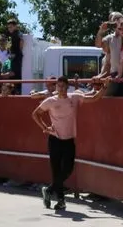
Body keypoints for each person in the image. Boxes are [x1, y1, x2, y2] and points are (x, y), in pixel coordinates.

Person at [31, 76, 108, 211]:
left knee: (68, 169)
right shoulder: (50, 101)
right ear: (56, 87)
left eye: (63, 86)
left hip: (69, 140)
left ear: (67, 87)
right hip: (54, 139)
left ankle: (49, 190)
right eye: (58, 86)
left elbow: (94, 98)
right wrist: (45, 127)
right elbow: (35, 114)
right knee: (56, 171)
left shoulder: (74, 98)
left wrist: (105, 86)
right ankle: (61, 201)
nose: (60, 89)